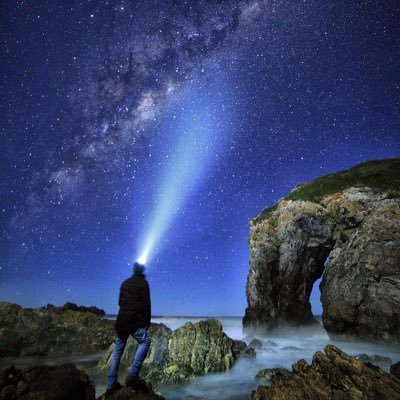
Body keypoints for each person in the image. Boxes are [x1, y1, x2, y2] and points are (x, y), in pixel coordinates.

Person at [105, 261, 152, 396]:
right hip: (135, 320)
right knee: (145, 342)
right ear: (142, 271)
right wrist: (147, 322)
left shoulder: (125, 283)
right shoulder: (143, 284)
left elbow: (120, 302)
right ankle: (133, 374)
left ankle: (110, 386)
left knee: (117, 351)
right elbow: (146, 304)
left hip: (121, 321)